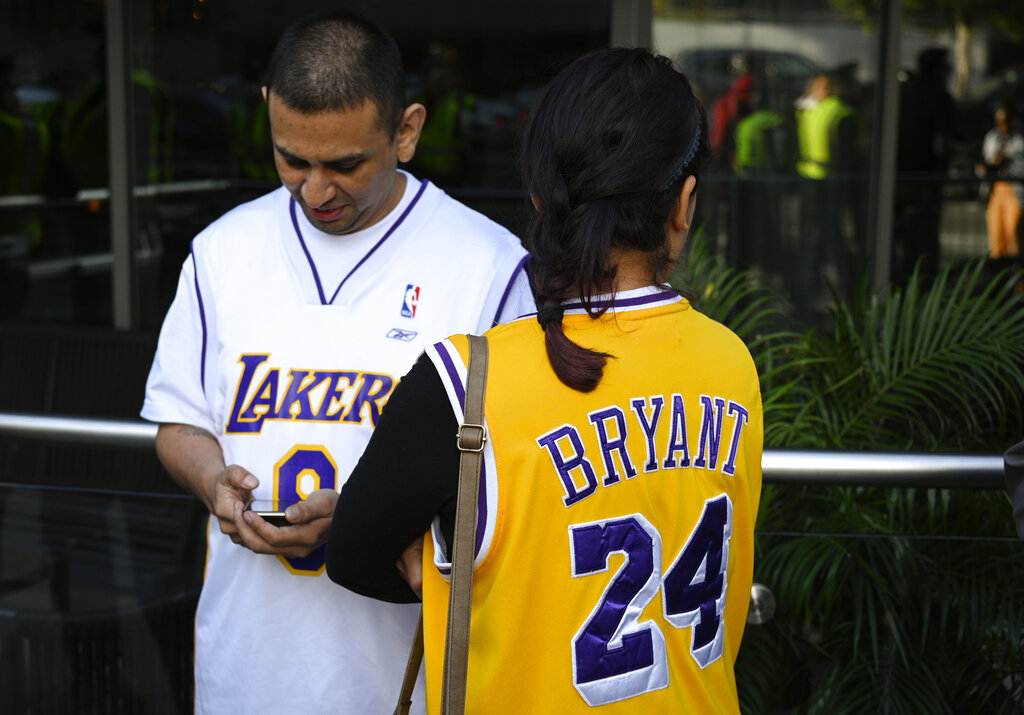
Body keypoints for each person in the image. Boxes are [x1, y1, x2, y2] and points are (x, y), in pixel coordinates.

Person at [327, 47, 764, 713]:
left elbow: (353, 552)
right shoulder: (733, 364)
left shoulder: (465, 383)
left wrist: (450, 563)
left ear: (539, 195)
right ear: (684, 204)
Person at [140, 10, 533, 713]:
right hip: (245, 668)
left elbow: (523, 484)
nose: (317, 190)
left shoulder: (491, 267)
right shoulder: (222, 253)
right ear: (267, 113)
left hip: (403, 679)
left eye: (345, 164)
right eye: (293, 158)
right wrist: (212, 484)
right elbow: (177, 419)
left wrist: (369, 519)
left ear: (406, 130)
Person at [981, 104, 1023, 260]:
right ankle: (999, 276)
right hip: (996, 189)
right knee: (996, 235)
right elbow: (987, 160)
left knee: (1013, 234)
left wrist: (1007, 162)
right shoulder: (992, 137)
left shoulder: (1018, 139)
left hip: (1014, 190)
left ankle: (1016, 276)